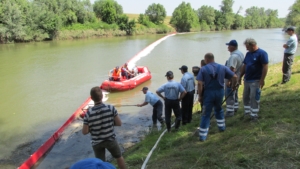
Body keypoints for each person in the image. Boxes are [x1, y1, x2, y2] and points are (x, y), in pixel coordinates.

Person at [82, 87, 126, 169]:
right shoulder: (110, 108)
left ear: (91, 98)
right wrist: (109, 123)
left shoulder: (88, 114)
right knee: (119, 157)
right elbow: (119, 123)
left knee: (100, 164)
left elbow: (84, 132)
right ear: (102, 96)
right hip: (110, 139)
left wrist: (92, 127)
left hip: (97, 142)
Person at [197, 53, 237, 141]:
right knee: (218, 109)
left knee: (206, 113)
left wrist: (200, 96)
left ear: (206, 60)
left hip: (208, 93)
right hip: (219, 92)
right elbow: (234, 76)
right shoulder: (222, 67)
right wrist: (233, 86)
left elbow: (199, 83)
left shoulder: (203, 69)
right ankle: (222, 127)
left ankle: (202, 136)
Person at [239, 38, 268, 121]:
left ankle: (254, 114)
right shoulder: (248, 54)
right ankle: (247, 112)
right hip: (247, 79)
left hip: (256, 80)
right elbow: (245, 65)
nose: (246, 48)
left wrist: (262, 79)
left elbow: (265, 66)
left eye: (247, 47)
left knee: (253, 97)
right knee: (245, 97)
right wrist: (240, 76)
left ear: (253, 45)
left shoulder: (262, 53)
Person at [224, 40, 245, 117]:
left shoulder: (233, 57)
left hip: (232, 78)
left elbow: (232, 69)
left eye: (229, 46)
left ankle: (230, 112)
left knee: (229, 94)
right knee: (235, 93)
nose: (228, 48)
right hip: (238, 76)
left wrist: (229, 80)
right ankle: (235, 107)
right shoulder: (240, 54)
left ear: (233, 47)